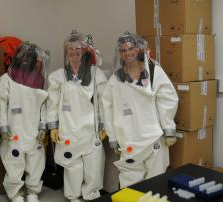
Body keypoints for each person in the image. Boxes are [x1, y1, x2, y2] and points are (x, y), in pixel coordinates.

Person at [102, 31, 178, 188]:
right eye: (123, 50)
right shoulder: (116, 79)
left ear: (138, 50)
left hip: (153, 136)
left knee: (157, 180)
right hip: (129, 137)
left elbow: (167, 98)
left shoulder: (153, 71)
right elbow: (107, 108)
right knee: (129, 180)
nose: (127, 53)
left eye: (131, 49)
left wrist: (169, 127)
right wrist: (113, 137)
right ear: (120, 54)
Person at [47, 30, 107, 202]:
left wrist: (104, 125)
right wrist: (53, 126)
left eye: (77, 49)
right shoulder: (58, 76)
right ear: (66, 52)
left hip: (91, 128)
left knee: (93, 164)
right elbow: (52, 102)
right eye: (70, 49)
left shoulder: (96, 74)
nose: (74, 52)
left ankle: (92, 195)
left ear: (84, 51)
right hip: (68, 127)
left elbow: (104, 101)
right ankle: (73, 196)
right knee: (72, 164)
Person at [0, 42, 50, 202]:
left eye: (29, 56)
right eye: (23, 55)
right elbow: (0, 103)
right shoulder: (6, 79)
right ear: (17, 57)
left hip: (33, 128)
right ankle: (16, 192)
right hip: (15, 127)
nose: (26, 59)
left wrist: (43, 125)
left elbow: (44, 104)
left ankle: (32, 191)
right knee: (14, 159)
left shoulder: (39, 79)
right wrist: (3, 126)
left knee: (36, 159)